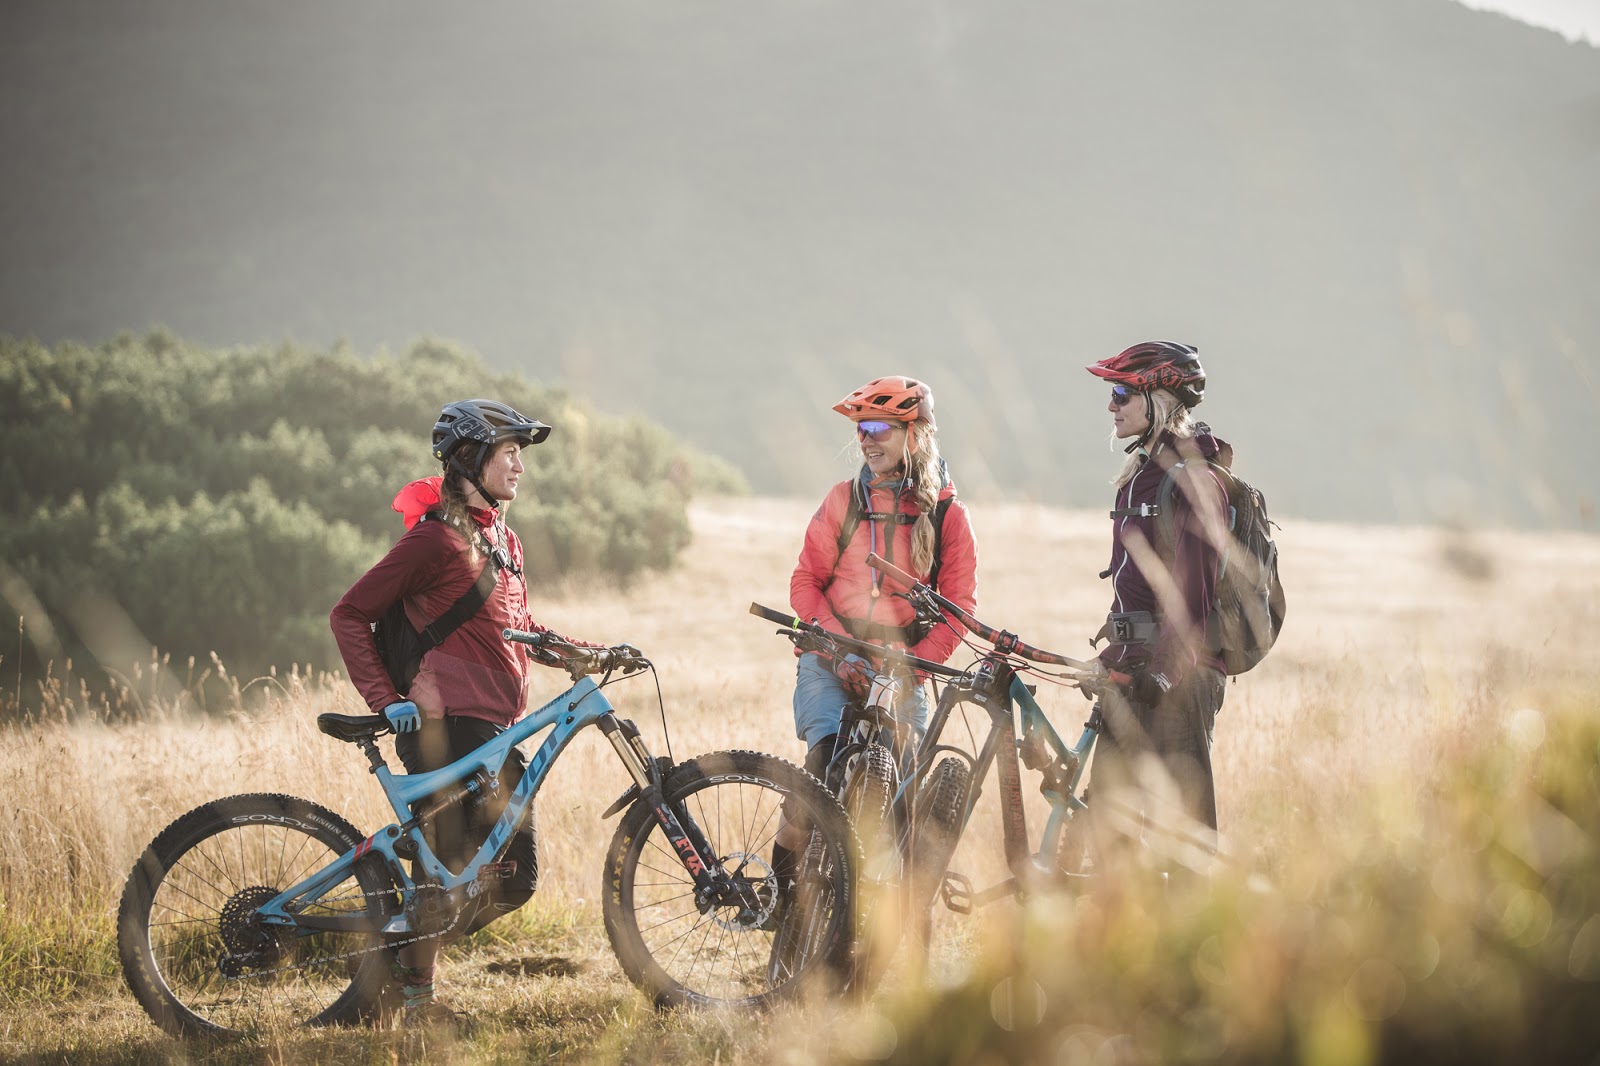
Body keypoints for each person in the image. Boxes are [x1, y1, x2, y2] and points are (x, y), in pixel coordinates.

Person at [330, 398, 608, 1028]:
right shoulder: (433, 540)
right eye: (509, 452)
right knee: (452, 867)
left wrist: (586, 655)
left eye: (520, 454)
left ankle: (394, 966)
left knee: (512, 877)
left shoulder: (503, 540)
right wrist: (386, 699)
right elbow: (349, 613)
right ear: (469, 459)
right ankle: (411, 999)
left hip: (490, 728)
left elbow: (521, 627)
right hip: (441, 726)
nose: (519, 465)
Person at [774, 376, 979, 881]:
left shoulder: (949, 515)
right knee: (823, 769)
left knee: (899, 801)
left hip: (903, 672)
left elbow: (959, 609)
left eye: (877, 428)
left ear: (916, 435)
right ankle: (780, 895)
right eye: (860, 429)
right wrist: (836, 650)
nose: (865, 439)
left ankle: (872, 918)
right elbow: (805, 582)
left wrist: (911, 670)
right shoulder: (843, 500)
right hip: (830, 659)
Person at [1083, 341, 1231, 860]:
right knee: (1107, 829)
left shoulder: (1193, 478)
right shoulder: (1140, 475)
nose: (1112, 406)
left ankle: (1197, 941)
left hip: (1181, 678)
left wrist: (1163, 674)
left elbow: (1193, 598)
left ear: (1161, 399)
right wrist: (1112, 660)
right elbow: (1138, 589)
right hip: (1136, 671)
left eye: (1122, 394)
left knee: (1184, 840)